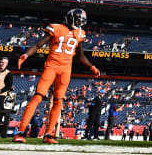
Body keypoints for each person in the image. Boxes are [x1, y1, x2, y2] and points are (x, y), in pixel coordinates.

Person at [13, 8, 100, 144]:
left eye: (81, 21)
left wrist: (92, 67)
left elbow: (81, 56)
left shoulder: (80, 33)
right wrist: (25, 55)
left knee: (58, 101)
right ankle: (21, 131)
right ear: (71, 18)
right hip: (52, 67)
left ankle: (48, 134)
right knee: (38, 96)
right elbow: (38, 44)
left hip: (66, 70)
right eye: (77, 20)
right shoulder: (56, 28)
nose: (79, 23)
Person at [0, 57, 13, 137]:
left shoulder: (8, 73)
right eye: (1, 62)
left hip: (0, 96)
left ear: (7, 64)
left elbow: (8, 85)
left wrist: (0, 91)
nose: (2, 64)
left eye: (4, 63)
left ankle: (1, 134)